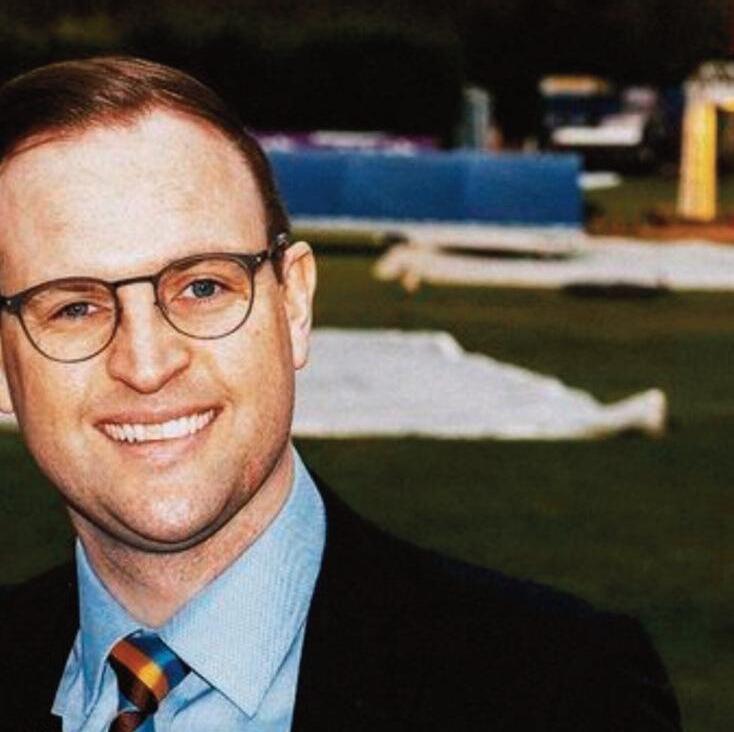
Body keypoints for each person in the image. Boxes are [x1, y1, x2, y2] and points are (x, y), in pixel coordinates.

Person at [0, 56, 680, 731]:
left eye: (203, 287)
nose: (147, 364)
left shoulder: (565, 693)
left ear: (294, 304)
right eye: (73, 308)